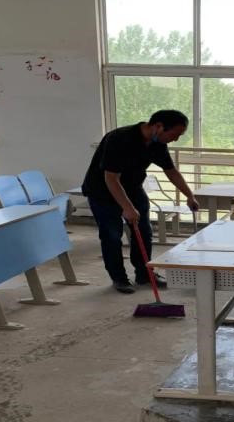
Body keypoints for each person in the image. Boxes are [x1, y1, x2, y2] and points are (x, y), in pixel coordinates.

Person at [82, 109, 199, 294]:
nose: (175, 139)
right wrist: (127, 207)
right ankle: (119, 278)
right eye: (174, 135)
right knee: (112, 235)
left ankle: (144, 274)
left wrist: (189, 195)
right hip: (103, 192)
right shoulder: (120, 139)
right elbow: (111, 178)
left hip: (133, 188)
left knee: (144, 232)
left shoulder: (158, 144)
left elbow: (171, 171)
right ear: (158, 126)